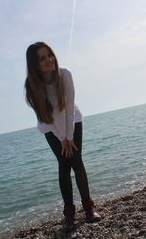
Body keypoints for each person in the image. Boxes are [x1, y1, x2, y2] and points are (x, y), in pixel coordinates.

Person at [24, 42, 101, 231]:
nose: (49, 59)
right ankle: (69, 214)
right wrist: (61, 139)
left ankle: (89, 207)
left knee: (76, 160)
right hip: (50, 127)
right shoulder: (32, 85)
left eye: (49, 54)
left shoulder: (65, 74)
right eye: (42, 58)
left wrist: (69, 136)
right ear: (35, 64)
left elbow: (68, 109)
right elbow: (46, 117)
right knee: (64, 164)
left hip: (72, 120)